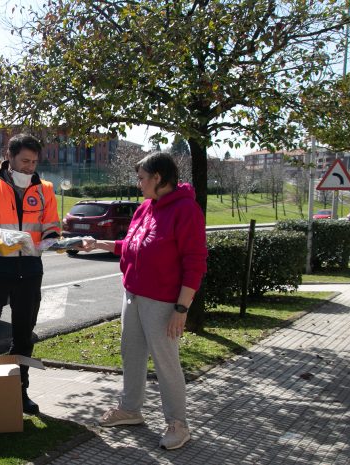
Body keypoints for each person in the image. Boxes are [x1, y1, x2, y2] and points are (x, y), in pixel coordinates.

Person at [82, 152, 207, 450]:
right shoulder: (146, 209)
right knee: (131, 353)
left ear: (159, 178)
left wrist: (181, 308)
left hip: (163, 302)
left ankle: (178, 424)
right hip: (133, 295)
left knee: (166, 363)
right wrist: (101, 244)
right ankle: (130, 409)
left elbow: (195, 262)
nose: (138, 184)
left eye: (141, 178)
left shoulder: (185, 210)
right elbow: (133, 245)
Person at [0, 133, 61, 414]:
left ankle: (20, 393)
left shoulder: (46, 189)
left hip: (29, 269)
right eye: (25, 161)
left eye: (34, 162)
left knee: (24, 335)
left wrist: (53, 239)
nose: (30, 167)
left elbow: (51, 225)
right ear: (10, 157)